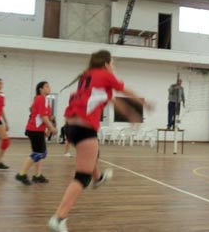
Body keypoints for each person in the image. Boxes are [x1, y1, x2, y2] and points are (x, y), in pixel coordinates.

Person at [48, 50, 152, 232]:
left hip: (70, 128)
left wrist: (129, 115)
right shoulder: (104, 75)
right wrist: (144, 104)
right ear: (105, 63)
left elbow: (110, 99)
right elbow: (125, 91)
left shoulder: (87, 77)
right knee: (81, 176)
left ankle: (98, 178)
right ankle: (59, 218)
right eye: (113, 63)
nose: (114, 66)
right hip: (84, 128)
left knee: (93, 155)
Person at [15, 81, 57, 185]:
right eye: (46, 86)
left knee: (41, 153)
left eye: (49, 86)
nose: (49, 88)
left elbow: (47, 116)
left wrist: (46, 130)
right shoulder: (41, 98)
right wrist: (51, 128)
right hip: (34, 130)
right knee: (39, 153)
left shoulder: (44, 100)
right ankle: (21, 174)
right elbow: (43, 116)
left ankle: (37, 175)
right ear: (40, 89)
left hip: (38, 130)